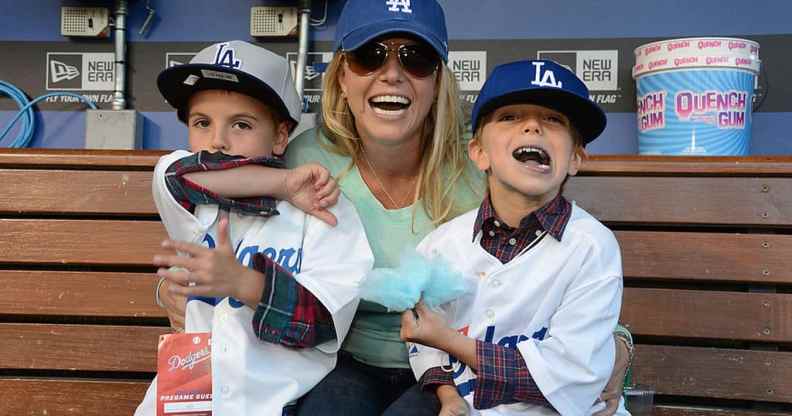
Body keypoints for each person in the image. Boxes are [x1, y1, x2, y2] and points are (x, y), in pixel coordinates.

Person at [155, 1, 632, 414]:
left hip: (452, 365)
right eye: (369, 56)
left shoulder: (483, 164)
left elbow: (547, 270)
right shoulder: (300, 162)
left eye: (416, 57)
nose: (392, 73)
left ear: (439, 79)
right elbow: (224, 229)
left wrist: (619, 345)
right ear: (342, 74)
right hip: (340, 360)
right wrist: (177, 293)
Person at [135, 40, 374, 416]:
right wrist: (282, 184)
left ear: (281, 135)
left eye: (241, 124)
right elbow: (183, 175)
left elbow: (323, 324)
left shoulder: (326, 208)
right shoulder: (187, 196)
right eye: (202, 123)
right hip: (187, 398)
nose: (218, 140)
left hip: (279, 403)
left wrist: (244, 284)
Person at [401, 59, 629, 415]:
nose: (533, 127)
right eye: (510, 117)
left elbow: (570, 376)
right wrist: (448, 397)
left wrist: (448, 340)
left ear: (574, 159)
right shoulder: (441, 244)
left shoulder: (592, 246)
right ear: (479, 153)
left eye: (554, 120)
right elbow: (424, 345)